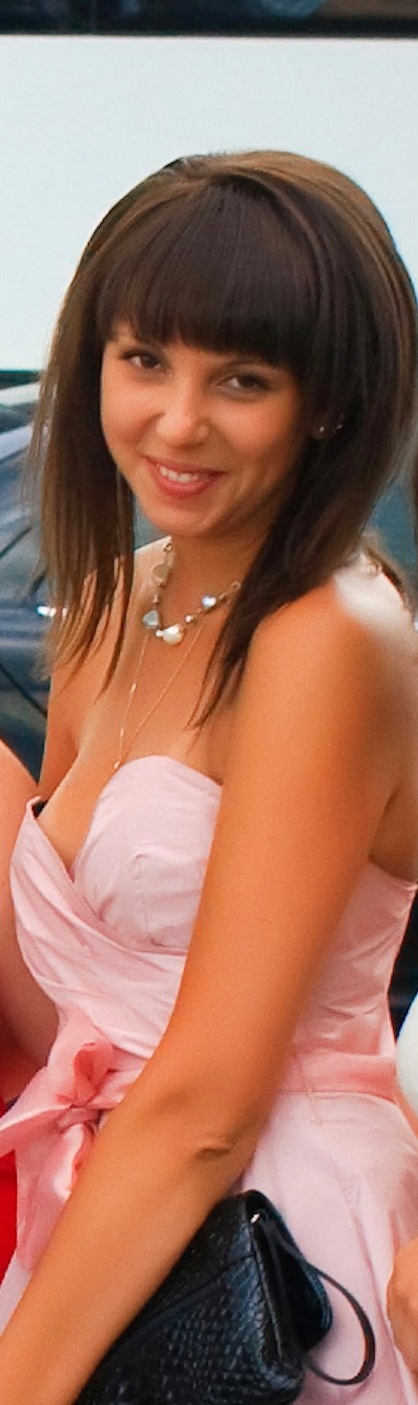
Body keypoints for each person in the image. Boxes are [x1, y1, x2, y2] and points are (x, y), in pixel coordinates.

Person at [0, 149, 417, 1403]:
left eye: (241, 379)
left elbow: (208, 1104)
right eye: (144, 360)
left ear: (328, 401)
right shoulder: (114, 602)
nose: (177, 423)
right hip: (108, 1220)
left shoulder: (330, 637)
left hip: (272, 1254)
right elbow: (80, 1014)